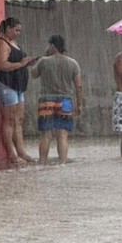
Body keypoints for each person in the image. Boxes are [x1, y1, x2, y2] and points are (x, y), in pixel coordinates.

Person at [31, 34, 84, 165]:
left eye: (49, 45)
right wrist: (80, 104)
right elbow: (79, 86)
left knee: (46, 135)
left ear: (52, 46)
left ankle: (42, 163)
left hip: (46, 101)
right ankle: (62, 163)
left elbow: (33, 74)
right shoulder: (73, 63)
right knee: (63, 134)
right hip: (66, 101)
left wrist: (43, 56)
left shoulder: (44, 61)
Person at [0, 17, 37, 164]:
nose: (18, 33)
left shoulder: (13, 43)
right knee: (9, 120)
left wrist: (27, 63)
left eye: (19, 31)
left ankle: (21, 151)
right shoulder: (1, 43)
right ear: (8, 28)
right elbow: (1, 65)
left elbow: (17, 63)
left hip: (18, 86)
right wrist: (21, 63)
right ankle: (11, 154)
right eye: (16, 30)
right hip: (6, 85)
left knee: (19, 120)